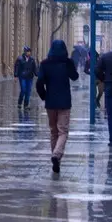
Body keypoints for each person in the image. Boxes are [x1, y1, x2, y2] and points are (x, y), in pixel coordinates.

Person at [36, 40, 78, 173]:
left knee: (54, 131)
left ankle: (56, 159)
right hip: (64, 102)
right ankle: (56, 155)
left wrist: (44, 96)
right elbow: (75, 77)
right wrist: (71, 65)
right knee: (63, 131)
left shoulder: (45, 64)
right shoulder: (67, 62)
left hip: (51, 102)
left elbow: (39, 83)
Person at [14, 46, 37, 110]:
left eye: (29, 51)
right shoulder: (20, 59)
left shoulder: (32, 59)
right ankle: (19, 103)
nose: (29, 53)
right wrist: (15, 76)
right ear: (25, 52)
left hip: (30, 77)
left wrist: (39, 75)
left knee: (28, 91)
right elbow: (17, 68)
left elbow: (35, 69)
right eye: (27, 51)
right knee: (23, 90)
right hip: (22, 77)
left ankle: (26, 105)